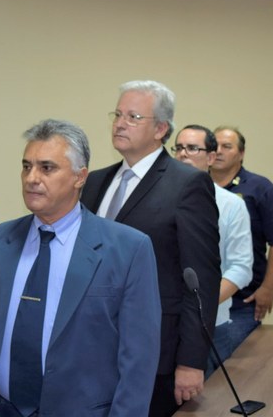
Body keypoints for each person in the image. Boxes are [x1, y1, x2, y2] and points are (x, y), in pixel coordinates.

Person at [0, 119, 161, 416]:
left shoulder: (127, 250)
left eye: (47, 168)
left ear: (80, 177)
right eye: (26, 166)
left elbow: (139, 360)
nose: (31, 178)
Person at [81, 81, 221, 417]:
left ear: (161, 129)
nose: (119, 124)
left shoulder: (187, 184)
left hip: (155, 351)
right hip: (92, 344)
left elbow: (201, 279)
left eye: (133, 117)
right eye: (117, 114)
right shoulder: (95, 181)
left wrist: (191, 361)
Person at [172, 125, 253, 378]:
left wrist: (200, 305)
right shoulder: (160, 198)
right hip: (163, 324)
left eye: (192, 148)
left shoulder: (231, 205)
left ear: (210, 157)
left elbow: (240, 268)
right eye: (179, 148)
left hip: (210, 324)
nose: (183, 154)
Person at [210, 125, 273, 351]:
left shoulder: (260, 189)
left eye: (227, 146)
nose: (218, 151)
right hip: (202, 298)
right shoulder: (194, 186)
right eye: (215, 146)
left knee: (228, 361)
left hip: (243, 300)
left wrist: (268, 288)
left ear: (241, 153)